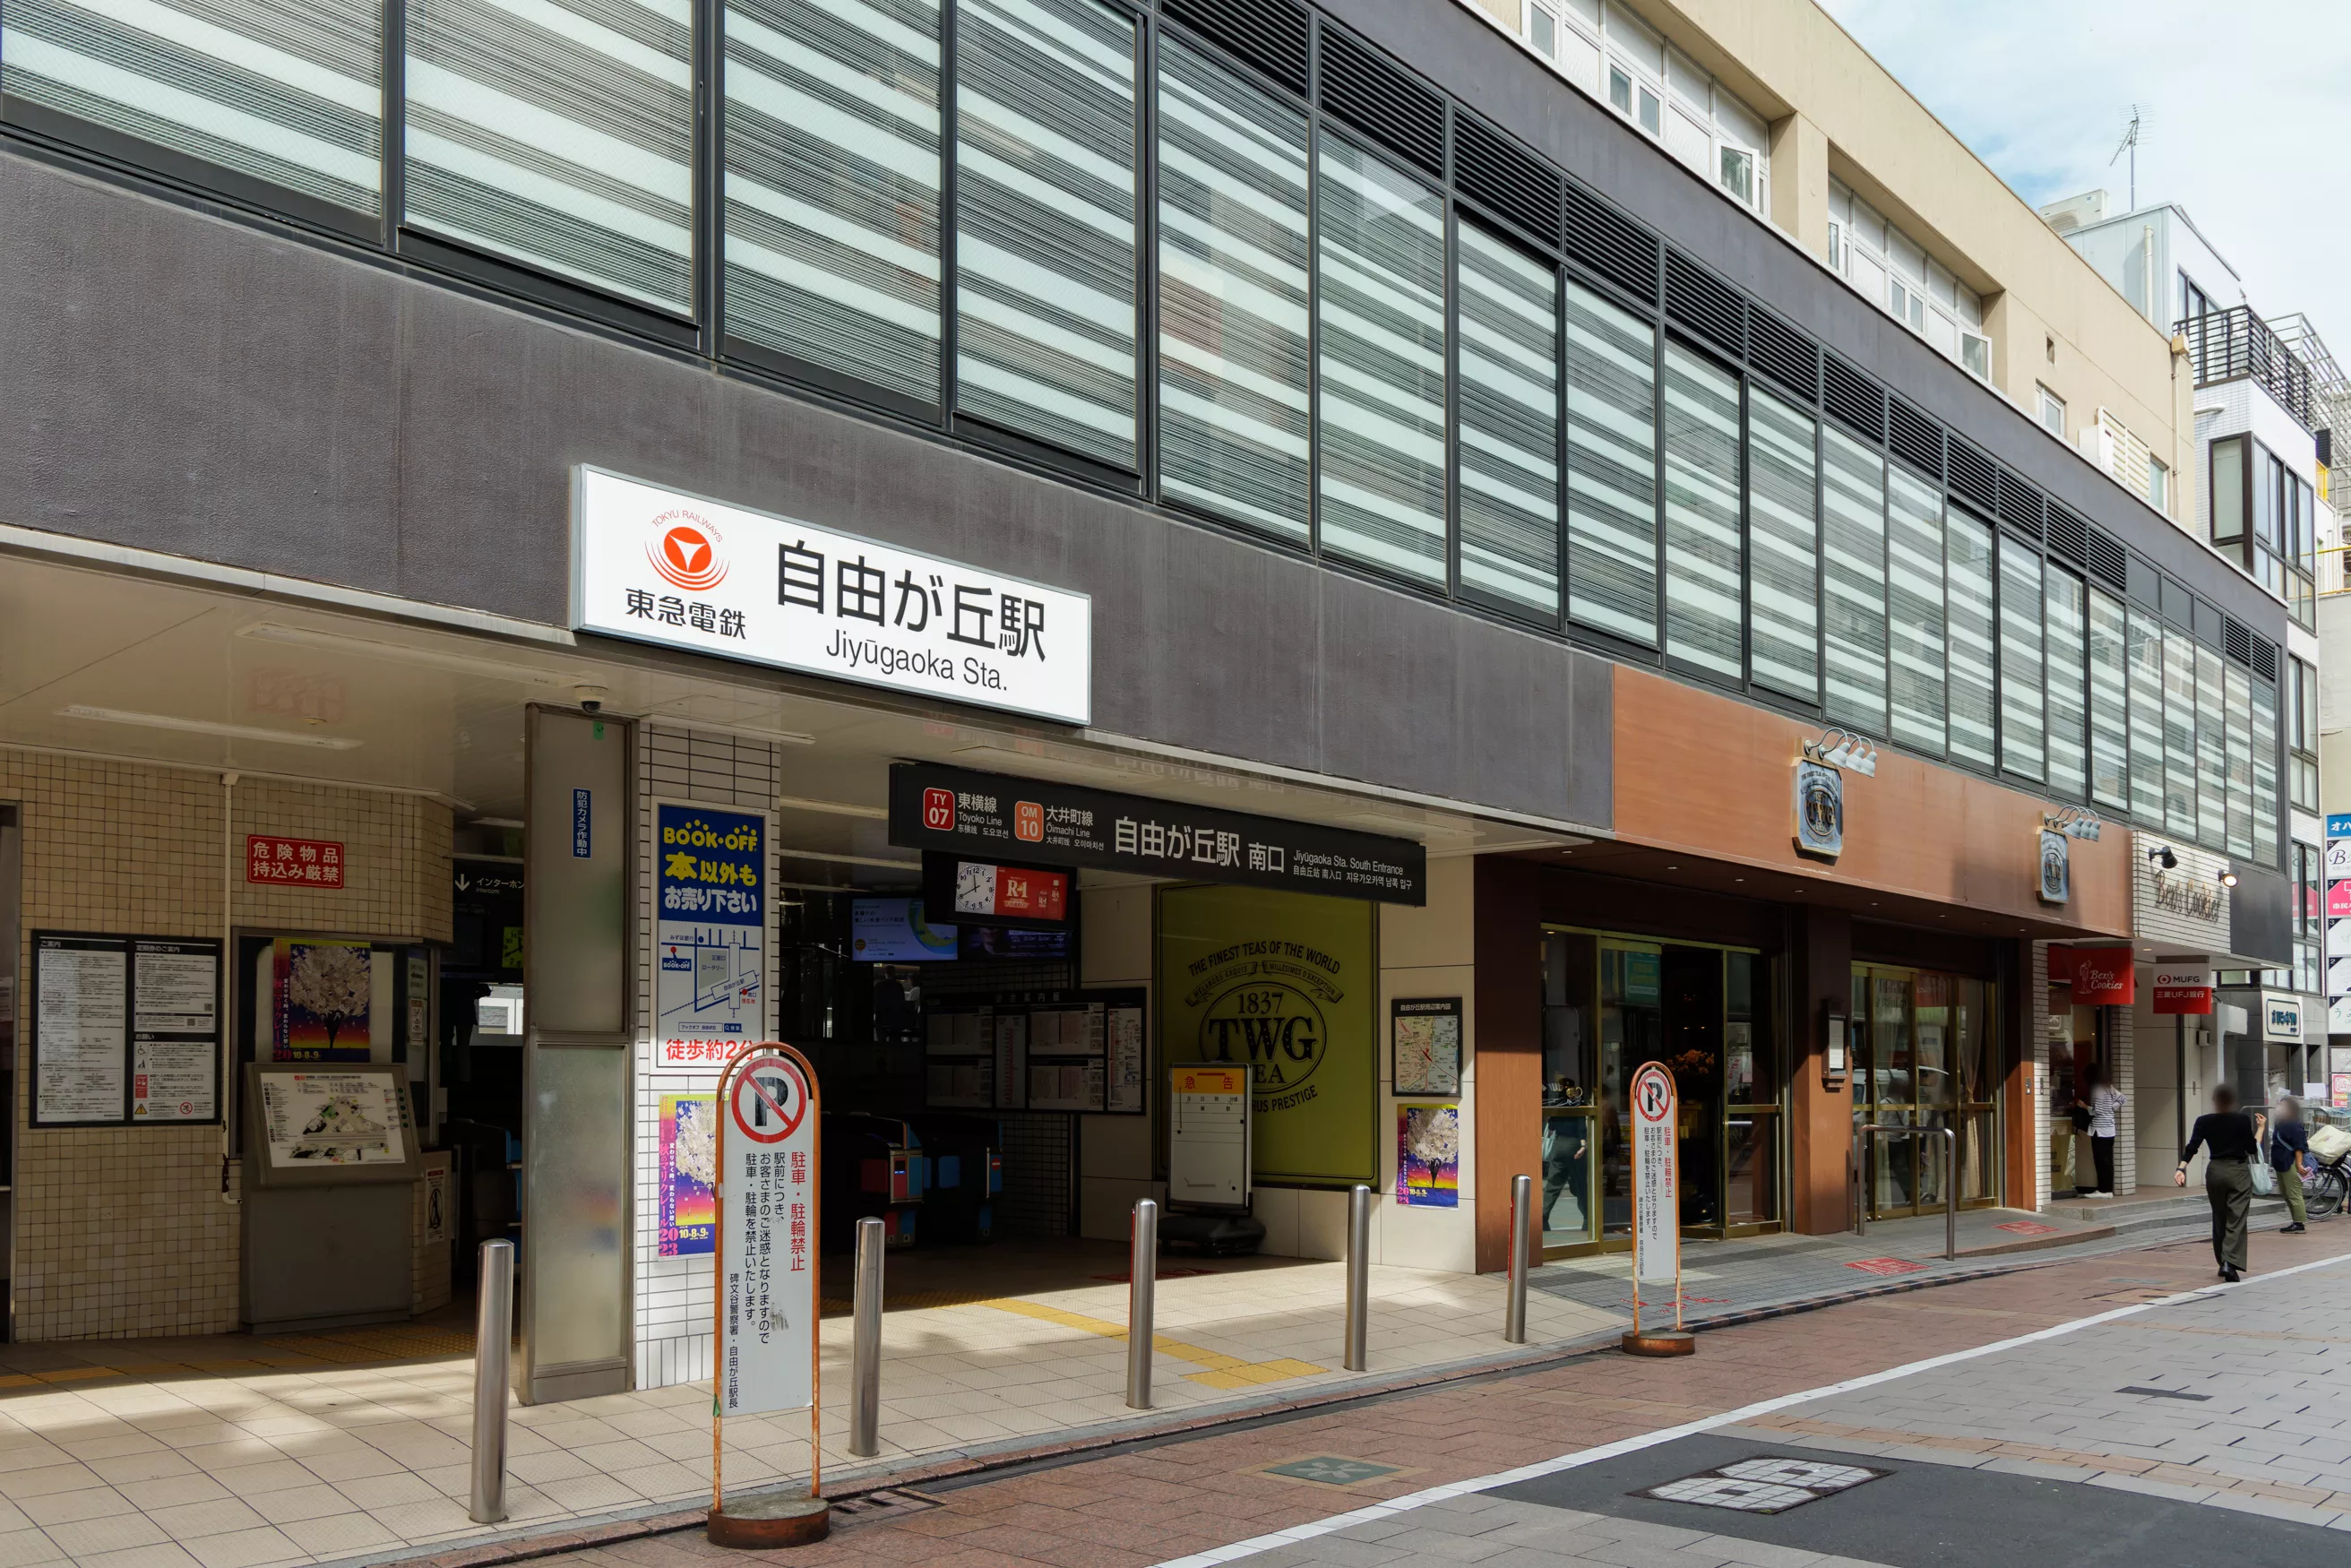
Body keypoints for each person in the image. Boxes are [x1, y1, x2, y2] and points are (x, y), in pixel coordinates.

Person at [2176, 1084, 2258, 1281]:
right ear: (2231, 1101)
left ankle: (2222, 1261)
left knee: (2219, 1216)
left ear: (2215, 1101)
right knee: (2236, 1218)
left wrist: (2181, 1168)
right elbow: (2252, 1149)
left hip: (2215, 1171)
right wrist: (2260, 1130)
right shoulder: (2241, 1120)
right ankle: (2230, 1263)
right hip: (2237, 1171)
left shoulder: (2204, 1121)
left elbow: (2192, 1146)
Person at [2075, 1066, 2125, 1197]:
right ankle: (2107, 1189)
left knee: (2100, 1161)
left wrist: (2083, 1106)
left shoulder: (2096, 1089)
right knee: (2108, 1161)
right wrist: (2112, 1108)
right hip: (2110, 1129)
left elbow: (2097, 1111)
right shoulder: (2109, 1087)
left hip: (2099, 1130)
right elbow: (2123, 1099)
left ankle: (2103, 1190)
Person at [2271, 1096, 2313, 1234]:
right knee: (2286, 1194)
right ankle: (2295, 1220)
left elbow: (2299, 1146)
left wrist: (2299, 1164)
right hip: (2281, 1163)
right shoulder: (2281, 1122)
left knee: (2294, 1193)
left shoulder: (2293, 1124)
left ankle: (2299, 1223)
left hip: (2291, 1163)